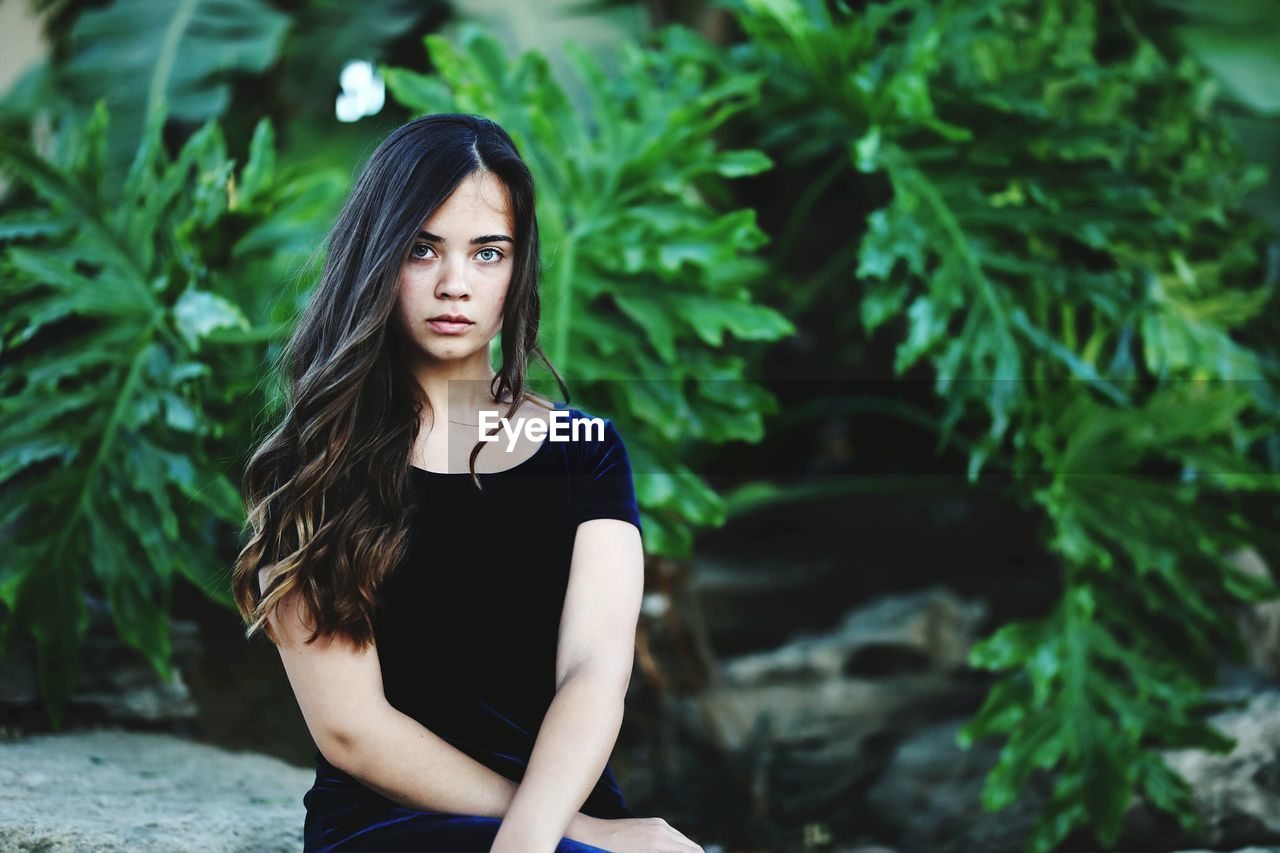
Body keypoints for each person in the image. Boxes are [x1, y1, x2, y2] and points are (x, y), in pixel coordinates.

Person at [230, 114, 703, 852]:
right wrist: (563, 836)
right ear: (377, 257)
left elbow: (593, 670)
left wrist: (542, 832)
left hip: (554, 813)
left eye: (489, 253)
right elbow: (354, 731)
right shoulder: (317, 458)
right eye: (423, 249)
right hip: (391, 824)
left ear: (518, 269)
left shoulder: (585, 452)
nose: (455, 285)